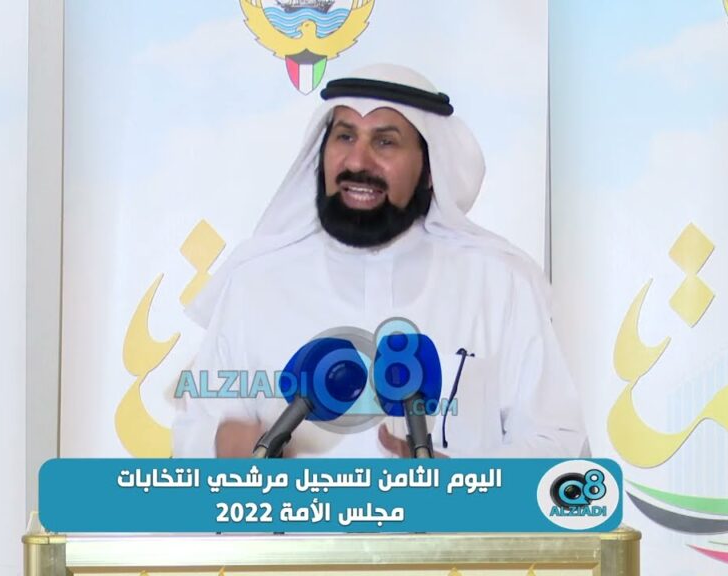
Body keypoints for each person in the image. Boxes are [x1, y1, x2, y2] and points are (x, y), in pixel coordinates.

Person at [172, 64, 587, 459]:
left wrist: (462, 482)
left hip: (451, 516)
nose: (357, 162)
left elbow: (561, 446)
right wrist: (222, 445)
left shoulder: (498, 283)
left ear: (430, 169)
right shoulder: (256, 282)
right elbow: (193, 435)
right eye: (345, 137)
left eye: (385, 142)